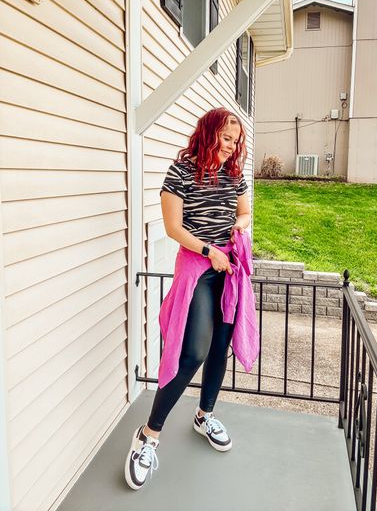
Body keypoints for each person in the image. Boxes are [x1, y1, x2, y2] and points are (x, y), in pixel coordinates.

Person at [125, 108, 256, 491]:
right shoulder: (180, 171)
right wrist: (208, 250)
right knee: (194, 351)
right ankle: (148, 435)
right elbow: (172, 227)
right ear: (209, 133)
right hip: (198, 268)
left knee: (220, 346)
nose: (231, 148)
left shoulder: (235, 175)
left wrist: (237, 225)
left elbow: (246, 212)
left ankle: (204, 415)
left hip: (228, 269)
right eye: (226, 139)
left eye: (236, 142)